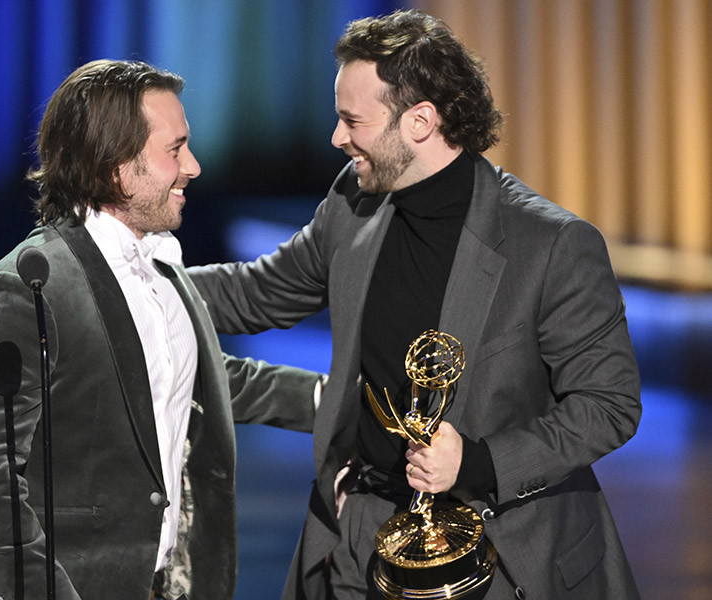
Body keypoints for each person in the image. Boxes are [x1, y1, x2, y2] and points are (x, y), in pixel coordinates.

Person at [187, 9, 641, 600]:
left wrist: (478, 462)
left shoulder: (551, 244)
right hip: (360, 541)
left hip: (499, 556)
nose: (336, 138)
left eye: (353, 120)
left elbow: (608, 405)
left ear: (420, 121)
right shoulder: (354, 203)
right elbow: (256, 292)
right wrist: (127, 277)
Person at [0, 59, 321, 600]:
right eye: (175, 149)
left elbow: (194, 377)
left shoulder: (162, 266)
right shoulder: (27, 288)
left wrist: (333, 401)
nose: (192, 165)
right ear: (116, 166)